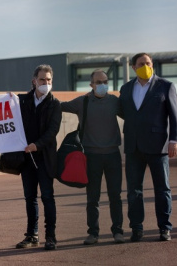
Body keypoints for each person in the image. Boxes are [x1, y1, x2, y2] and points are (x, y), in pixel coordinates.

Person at [119, 53, 177, 242]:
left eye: (148, 63)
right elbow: (124, 112)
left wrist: (174, 140)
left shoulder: (166, 86)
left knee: (162, 189)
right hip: (134, 147)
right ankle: (137, 228)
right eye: (141, 64)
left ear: (152, 65)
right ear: (133, 68)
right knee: (134, 191)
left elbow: (174, 115)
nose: (145, 66)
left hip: (158, 147)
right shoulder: (126, 88)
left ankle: (165, 228)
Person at [60, 69, 124, 245]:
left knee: (115, 196)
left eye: (105, 81)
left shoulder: (114, 102)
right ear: (91, 85)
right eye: (98, 82)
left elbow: (132, 115)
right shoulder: (83, 102)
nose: (102, 85)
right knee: (92, 198)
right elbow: (59, 106)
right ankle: (93, 233)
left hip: (112, 155)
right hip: (91, 156)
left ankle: (118, 231)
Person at [16, 64, 62, 250]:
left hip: (45, 158)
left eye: (49, 80)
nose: (46, 83)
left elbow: (53, 131)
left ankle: (50, 236)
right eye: (42, 79)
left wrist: (37, 145)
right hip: (26, 159)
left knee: (48, 197)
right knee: (30, 197)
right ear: (34, 81)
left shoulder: (54, 103)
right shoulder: (22, 101)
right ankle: (32, 234)